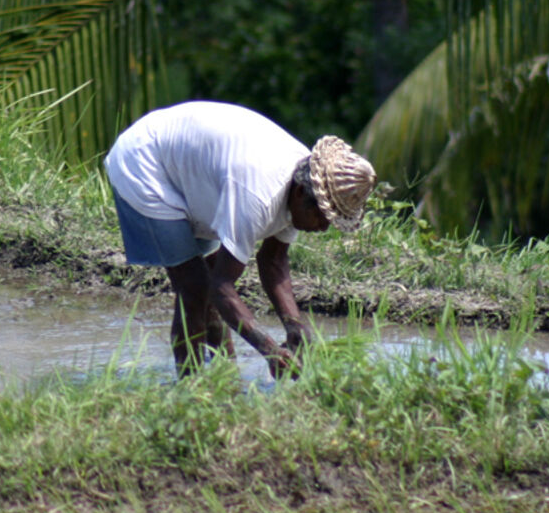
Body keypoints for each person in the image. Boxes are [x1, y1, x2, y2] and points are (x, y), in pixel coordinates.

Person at [104, 101, 377, 379]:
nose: (322, 229)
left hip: (191, 169)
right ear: (300, 195)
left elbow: (273, 261)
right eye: (322, 218)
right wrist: (268, 348)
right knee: (195, 287)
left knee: (206, 279)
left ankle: (226, 380)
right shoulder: (258, 196)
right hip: (145, 163)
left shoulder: (306, 180)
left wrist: (295, 326)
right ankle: (191, 390)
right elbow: (222, 287)